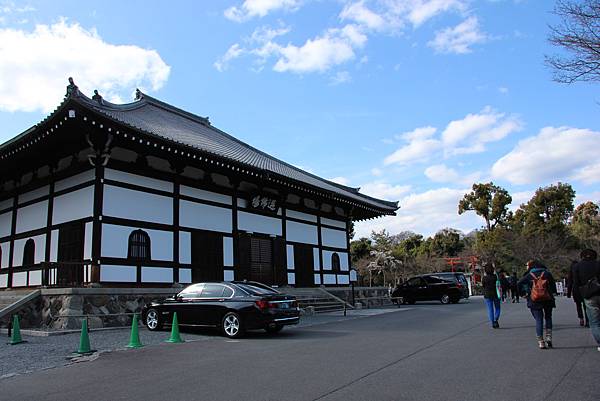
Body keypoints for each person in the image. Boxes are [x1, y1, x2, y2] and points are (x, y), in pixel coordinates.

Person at [518, 260, 557, 349]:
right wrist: (553, 293)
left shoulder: (529, 275)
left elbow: (519, 283)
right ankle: (549, 338)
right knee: (548, 317)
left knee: (539, 320)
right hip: (547, 298)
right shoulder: (547, 273)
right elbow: (553, 286)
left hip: (534, 299)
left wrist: (522, 294)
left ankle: (541, 342)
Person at [571, 249, 600, 352]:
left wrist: (577, 297)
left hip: (589, 295)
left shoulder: (577, 266)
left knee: (595, 322)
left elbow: (576, 283)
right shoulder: (598, 264)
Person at [567, 260, 589, 327]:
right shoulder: (582, 269)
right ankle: (587, 320)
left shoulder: (571, 272)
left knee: (578, 305)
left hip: (576, 290)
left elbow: (570, 283)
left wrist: (568, 293)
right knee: (586, 305)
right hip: (584, 289)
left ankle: (581, 318)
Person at [482, 264, 501, 328]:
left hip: (487, 295)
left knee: (490, 309)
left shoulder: (484, 278)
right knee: (497, 308)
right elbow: (498, 284)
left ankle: (492, 322)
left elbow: (483, 286)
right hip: (496, 294)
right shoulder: (495, 276)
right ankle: (496, 320)